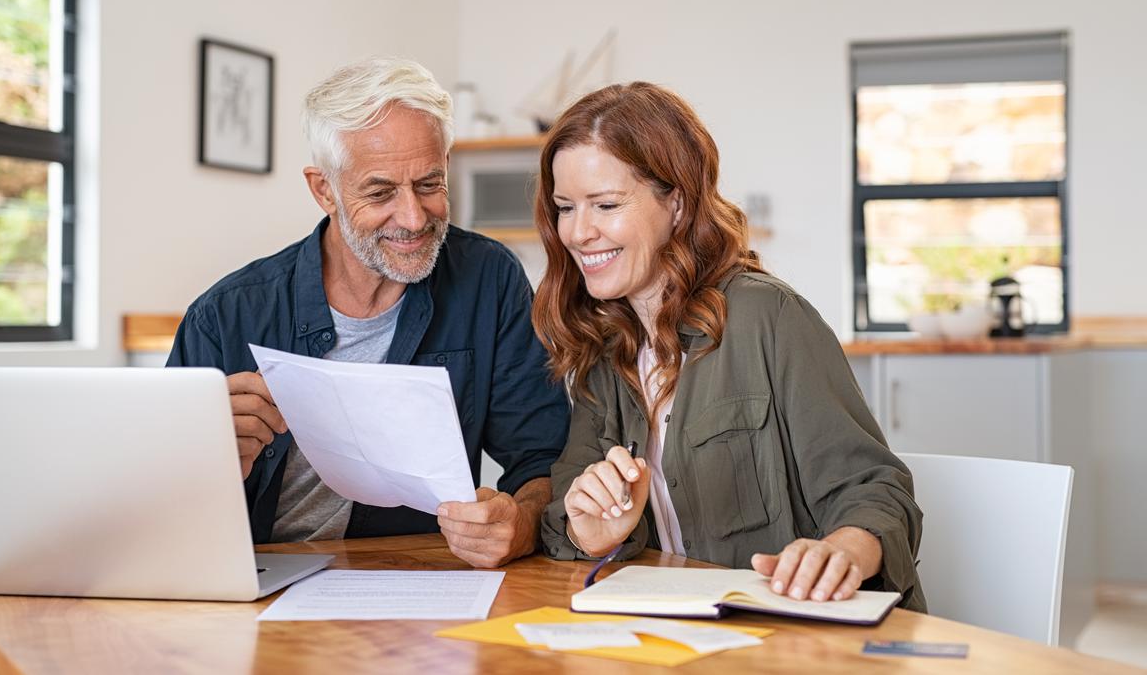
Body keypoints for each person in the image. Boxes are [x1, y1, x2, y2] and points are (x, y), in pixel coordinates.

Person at [534, 82, 925, 610]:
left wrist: (842, 551)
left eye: (605, 204)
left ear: (676, 203)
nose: (578, 232)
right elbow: (563, 512)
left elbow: (876, 491)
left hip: (796, 640)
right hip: (681, 636)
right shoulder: (607, 350)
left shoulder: (769, 317)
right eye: (565, 207)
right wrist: (594, 531)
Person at [168, 57, 569, 568]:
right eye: (380, 192)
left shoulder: (488, 279)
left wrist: (522, 522)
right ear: (323, 190)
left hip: (410, 577)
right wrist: (208, 456)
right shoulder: (225, 315)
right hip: (256, 578)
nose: (413, 217)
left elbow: (543, 458)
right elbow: (156, 502)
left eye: (429, 184)